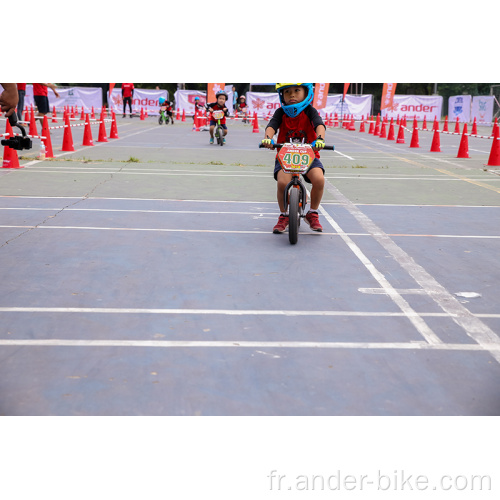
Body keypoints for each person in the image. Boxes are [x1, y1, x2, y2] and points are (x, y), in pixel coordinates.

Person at [261, 83, 326, 234]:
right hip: (285, 156)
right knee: (282, 183)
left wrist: (320, 138)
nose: (292, 95)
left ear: (306, 92)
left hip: (308, 155)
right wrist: (268, 139)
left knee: (319, 180)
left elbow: (319, 125)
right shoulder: (281, 112)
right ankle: (284, 215)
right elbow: (271, 126)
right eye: (287, 92)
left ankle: (313, 212)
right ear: (281, 95)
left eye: (297, 91)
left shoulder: (310, 111)